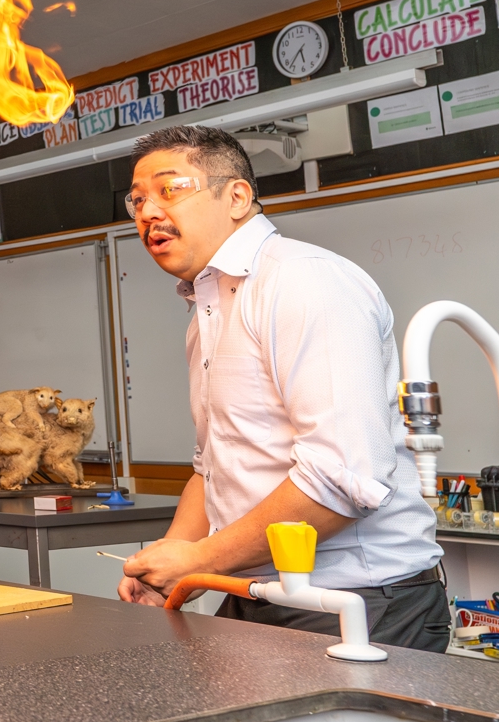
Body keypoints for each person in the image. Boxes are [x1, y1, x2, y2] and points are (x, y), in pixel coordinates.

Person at [117, 125, 446, 650]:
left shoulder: (303, 281)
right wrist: (171, 556)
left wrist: (199, 560)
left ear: (238, 197)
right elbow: (215, 462)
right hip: (253, 588)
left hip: (356, 599)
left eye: (170, 189)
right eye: (137, 200)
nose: (148, 212)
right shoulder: (208, 309)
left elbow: (343, 476)